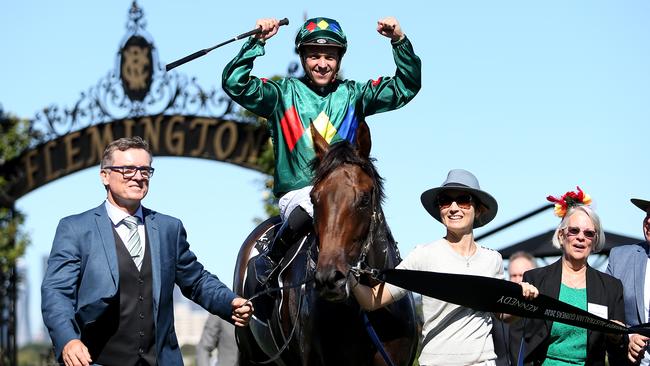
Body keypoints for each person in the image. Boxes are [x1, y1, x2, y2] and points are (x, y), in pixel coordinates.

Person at [222, 16, 421, 285]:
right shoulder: (282, 94)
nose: (322, 64)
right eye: (314, 56)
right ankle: (270, 260)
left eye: (330, 56)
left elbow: (405, 86)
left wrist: (399, 41)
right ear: (303, 58)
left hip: (344, 193)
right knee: (311, 203)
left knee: (370, 221)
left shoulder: (354, 95)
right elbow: (236, 83)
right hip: (298, 194)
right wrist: (255, 42)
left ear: (339, 60)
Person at [41, 137, 253, 366]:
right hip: (95, 360)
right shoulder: (75, 228)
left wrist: (229, 301)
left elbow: (197, 280)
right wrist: (68, 340)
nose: (138, 176)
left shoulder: (168, 228)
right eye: (127, 169)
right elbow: (57, 292)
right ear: (104, 175)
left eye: (145, 170)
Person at [350, 169, 539, 366]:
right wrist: (348, 275)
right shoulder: (423, 255)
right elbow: (371, 300)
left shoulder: (493, 259)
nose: (454, 208)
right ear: (440, 210)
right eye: (446, 201)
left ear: (479, 209)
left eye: (463, 200)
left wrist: (522, 301)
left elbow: (502, 315)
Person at [514, 187, 626, 365]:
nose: (581, 237)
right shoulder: (535, 279)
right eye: (574, 230)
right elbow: (515, 330)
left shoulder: (611, 288)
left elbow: (619, 349)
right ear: (561, 235)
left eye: (589, 233)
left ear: (595, 241)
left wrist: (617, 336)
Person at [607, 197, 650, 365]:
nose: (649, 221)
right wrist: (628, 336)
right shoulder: (620, 258)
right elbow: (604, 311)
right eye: (647, 215)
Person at [492, 251, 538, 366]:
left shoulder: (544, 312)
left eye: (522, 275)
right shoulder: (498, 313)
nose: (518, 280)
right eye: (513, 275)